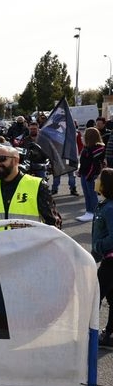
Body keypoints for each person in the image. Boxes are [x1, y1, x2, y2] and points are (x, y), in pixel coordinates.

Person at [0, 145, 61, 229]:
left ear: (16, 160)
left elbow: (53, 222)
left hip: (28, 238)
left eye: (2, 158)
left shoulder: (37, 185)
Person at [92, 168, 113, 347]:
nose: (96, 181)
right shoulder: (105, 205)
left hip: (111, 262)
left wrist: (98, 246)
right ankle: (108, 335)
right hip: (107, 259)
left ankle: (89, 333)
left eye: (99, 178)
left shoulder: (110, 208)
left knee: (94, 297)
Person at [77, 127, 106, 222]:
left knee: (92, 195)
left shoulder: (98, 148)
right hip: (85, 174)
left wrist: (89, 176)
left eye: (85, 135)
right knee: (87, 194)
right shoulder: (87, 148)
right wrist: (80, 172)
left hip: (91, 175)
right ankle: (89, 212)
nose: (83, 137)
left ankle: (95, 213)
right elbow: (83, 163)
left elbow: (94, 165)